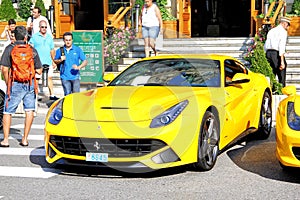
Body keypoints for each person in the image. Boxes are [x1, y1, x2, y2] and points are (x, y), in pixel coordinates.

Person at [0, 26, 42, 147]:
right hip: (29, 83)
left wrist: (8, 82)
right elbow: (39, 70)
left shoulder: (10, 48)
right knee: (29, 111)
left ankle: (6, 140)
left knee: (7, 111)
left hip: (15, 83)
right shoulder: (32, 50)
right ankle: (24, 139)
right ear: (25, 37)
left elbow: (4, 68)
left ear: (14, 36)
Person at [29, 20, 58, 101]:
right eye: (42, 27)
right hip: (38, 62)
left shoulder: (49, 37)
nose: (44, 28)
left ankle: (52, 94)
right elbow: (31, 48)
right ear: (39, 27)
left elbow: (52, 50)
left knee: (49, 78)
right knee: (37, 79)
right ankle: (36, 95)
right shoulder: (34, 36)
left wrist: (53, 61)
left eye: (45, 27)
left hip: (48, 61)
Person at [54, 32, 88, 96]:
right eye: (66, 40)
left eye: (69, 40)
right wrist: (60, 60)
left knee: (76, 96)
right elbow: (55, 61)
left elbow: (85, 61)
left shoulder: (77, 49)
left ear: (72, 40)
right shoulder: (60, 50)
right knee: (67, 95)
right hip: (64, 76)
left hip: (75, 76)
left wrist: (79, 67)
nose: (68, 42)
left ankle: (76, 106)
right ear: (64, 40)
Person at [264, 16, 290, 87]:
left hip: (268, 53)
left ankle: (272, 89)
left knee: (271, 73)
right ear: (284, 23)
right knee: (281, 71)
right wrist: (282, 61)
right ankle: (282, 89)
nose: (288, 27)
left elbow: (266, 44)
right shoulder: (283, 32)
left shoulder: (271, 30)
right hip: (276, 53)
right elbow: (281, 46)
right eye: (288, 25)